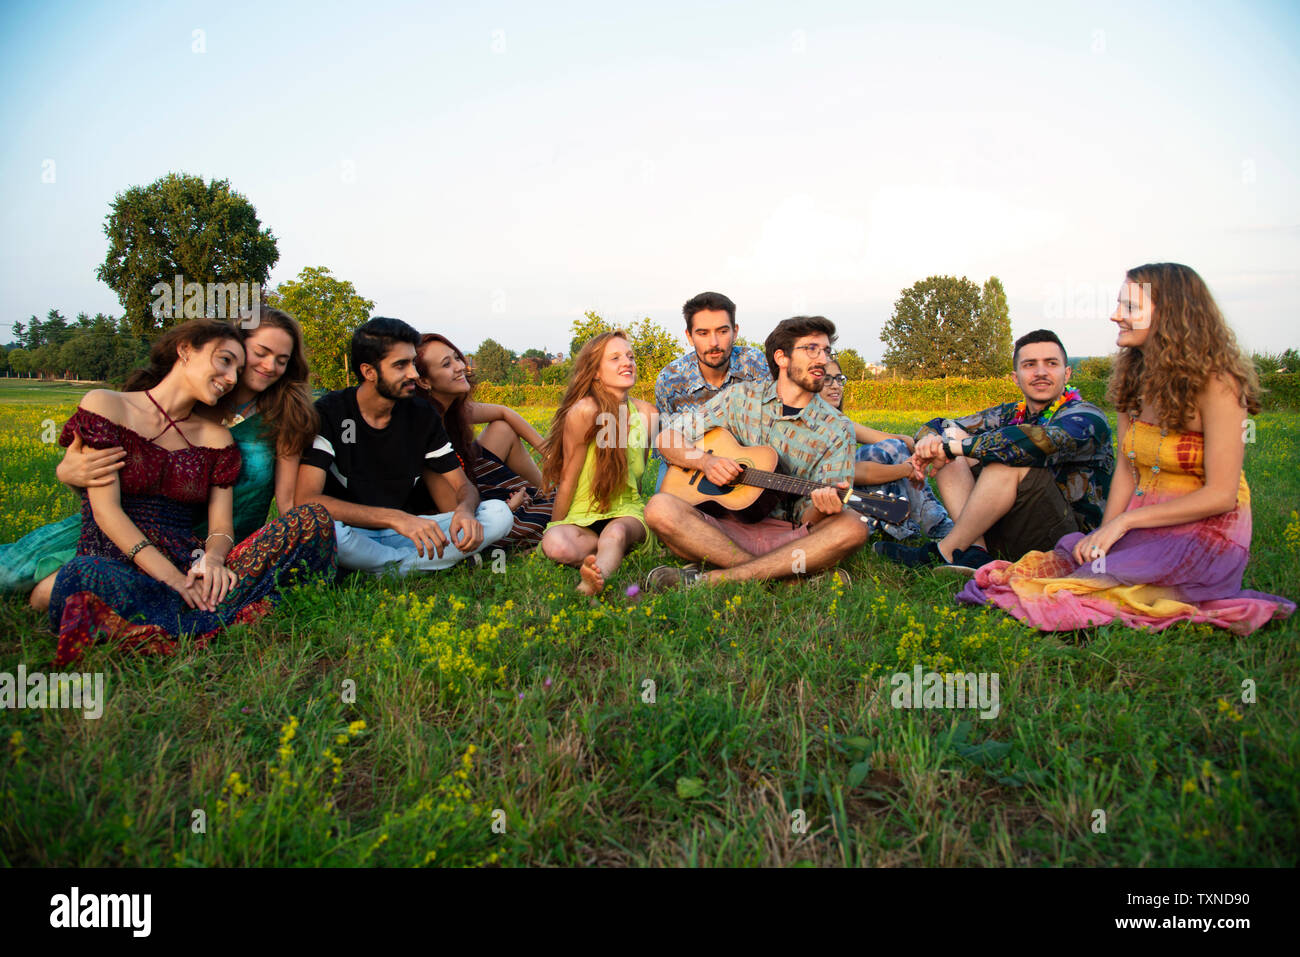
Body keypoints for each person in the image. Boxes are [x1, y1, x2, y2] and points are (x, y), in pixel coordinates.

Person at [958, 264, 1295, 634]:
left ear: (1171, 313)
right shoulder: (1133, 381)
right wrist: (1104, 537)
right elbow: (1126, 469)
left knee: (1092, 597)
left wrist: (1124, 522)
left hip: (1204, 530)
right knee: (1057, 576)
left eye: (1130, 307)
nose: (1115, 315)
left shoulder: (1218, 384)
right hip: (1141, 525)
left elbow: (1221, 495)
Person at [46, 319, 336, 666]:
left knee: (312, 520)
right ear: (186, 350)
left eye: (282, 359)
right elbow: (105, 508)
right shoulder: (113, 404)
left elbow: (230, 522)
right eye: (230, 360)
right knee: (74, 576)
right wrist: (66, 470)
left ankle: (170, 619)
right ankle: (207, 618)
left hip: (195, 555)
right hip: (118, 548)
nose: (233, 376)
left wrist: (210, 561)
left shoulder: (219, 436)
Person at [5, 306, 320, 611]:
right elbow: (114, 483)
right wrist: (67, 472)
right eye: (261, 353)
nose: (269, 366)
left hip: (209, 543)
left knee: (65, 591)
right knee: (14, 577)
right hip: (123, 525)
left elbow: (287, 503)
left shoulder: (283, 417)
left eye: (282, 360)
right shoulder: (183, 401)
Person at [644, 316, 867, 588]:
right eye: (811, 349)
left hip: (789, 535)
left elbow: (807, 519)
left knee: (853, 526)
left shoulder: (837, 428)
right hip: (722, 530)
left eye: (826, 350)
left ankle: (716, 578)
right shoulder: (740, 397)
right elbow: (668, 437)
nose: (822, 359)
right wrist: (706, 461)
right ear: (781, 358)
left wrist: (822, 507)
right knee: (659, 508)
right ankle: (782, 578)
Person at [874, 329, 1114, 573]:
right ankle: (974, 553)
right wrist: (930, 441)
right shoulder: (1012, 413)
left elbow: (1035, 441)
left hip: (1071, 543)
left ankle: (945, 552)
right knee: (949, 436)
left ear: (1067, 372)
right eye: (1030, 365)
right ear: (1015, 377)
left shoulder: (1086, 416)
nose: (1041, 372)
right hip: (1013, 530)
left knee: (1006, 457)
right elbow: (940, 424)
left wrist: (952, 449)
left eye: (1051, 364)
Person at [296, 317, 512, 576]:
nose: (413, 373)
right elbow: (307, 500)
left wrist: (464, 511)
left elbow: (461, 485)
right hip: (350, 532)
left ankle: (391, 566)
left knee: (498, 513)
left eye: (412, 362)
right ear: (369, 372)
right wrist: (395, 518)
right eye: (401, 365)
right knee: (322, 531)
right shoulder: (330, 413)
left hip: (404, 533)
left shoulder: (422, 415)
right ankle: (417, 564)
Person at [539, 331, 657, 596]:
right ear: (595, 372)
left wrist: (636, 516)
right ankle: (608, 551)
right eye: (614, 358)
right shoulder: (584, 411)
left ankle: (591, 583)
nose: (627, 362)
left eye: (630, 356)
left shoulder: (648, 415)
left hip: (627, 513)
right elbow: (569, 478)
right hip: (582, 515)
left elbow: (637, 479)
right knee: (556, 544)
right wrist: (554, 526)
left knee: (615, 532)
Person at [411, 333, 555, 549]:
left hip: (468, 477)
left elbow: (504, 412)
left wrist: (552, 457)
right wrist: (506, 509)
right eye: (446, 364)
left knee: (502, 428)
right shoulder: (425, 431)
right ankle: (532, 505)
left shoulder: (452, 409)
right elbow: (454, 513)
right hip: (450, 505)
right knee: (546, 517)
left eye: (457, 358)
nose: (460, 366)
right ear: (424, 381)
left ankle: (545, 490)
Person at [820, 359, 953, 542]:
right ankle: (926, 525)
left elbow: (891, 439)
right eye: (827, 379)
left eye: (838, 379)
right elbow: (848, 473)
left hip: (853, 491)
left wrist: (924, 451)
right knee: (881, 453)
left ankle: (924, 522)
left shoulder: (841, 422)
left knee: (895, 447)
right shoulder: (814, 427)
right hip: (833, 497)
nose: (835, 386)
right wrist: (907, 469)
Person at [651, 291, 771, 489]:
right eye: (703, 333)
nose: (714, 343)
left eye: (723, 331)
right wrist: (705, 463)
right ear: (689, 336)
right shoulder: (670, 378)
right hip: (690, 463)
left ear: (735, 332)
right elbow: (668, 446)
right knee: (663, 504)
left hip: (744, 462)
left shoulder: (754, 364)